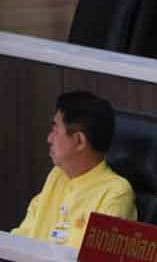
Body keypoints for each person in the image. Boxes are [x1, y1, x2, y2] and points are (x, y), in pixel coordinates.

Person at [12, 91, 137, 248]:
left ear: (79, 141)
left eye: (56, 131)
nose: (49, 138)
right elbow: (21, 238)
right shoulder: (57, 175)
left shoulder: (115, 193)